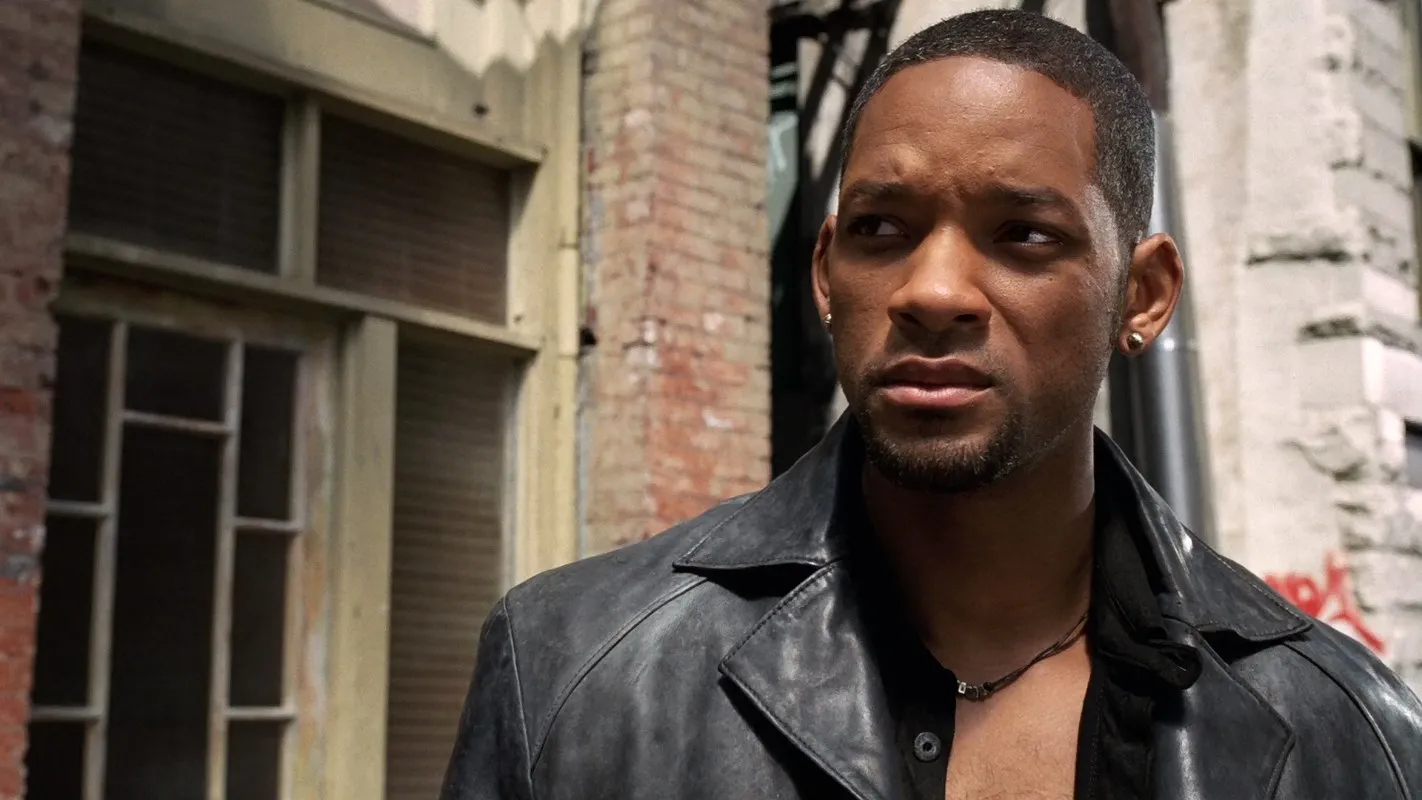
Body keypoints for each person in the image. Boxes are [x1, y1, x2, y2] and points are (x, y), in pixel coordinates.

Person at [441, 9, 1422, 799]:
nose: (933, 290)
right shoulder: (571, 669)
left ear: (1143, 295)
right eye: (882, 228)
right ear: (826, 273)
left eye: (1023, 234)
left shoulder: (1352, 731)